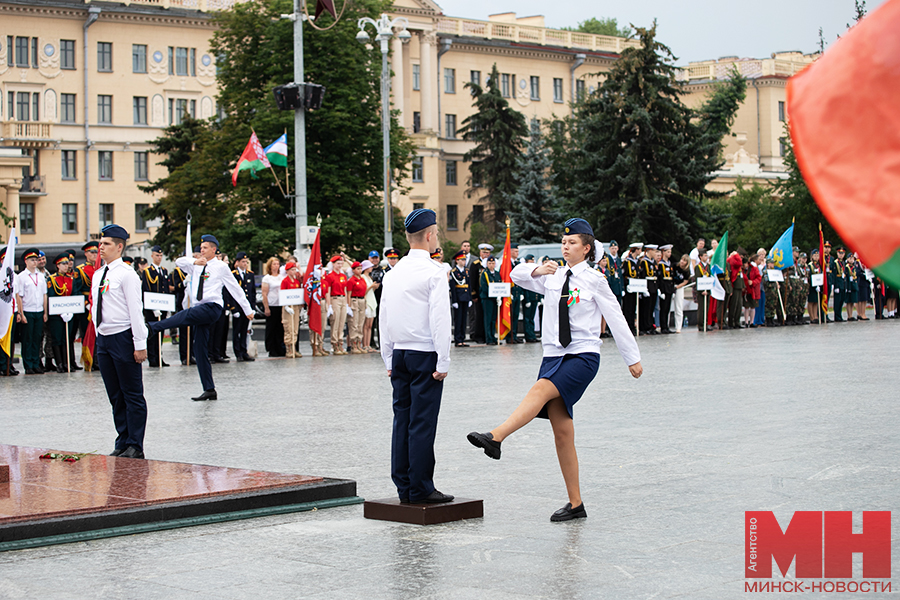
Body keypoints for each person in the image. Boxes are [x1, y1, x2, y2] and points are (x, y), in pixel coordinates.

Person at [467, 218, 642, 522]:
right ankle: (576, 504)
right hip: (553, 356)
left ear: (587, 249)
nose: (566, 246)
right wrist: (538, 269)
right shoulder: (553, 275)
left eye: (572, 242)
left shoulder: (595, 279)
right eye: (564, 242)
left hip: (582, 356)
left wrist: (632, 358)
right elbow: (515, 274)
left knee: (540, 389)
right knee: (562, 433)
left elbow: (616, 317)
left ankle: (496, 437)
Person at [379, 208, 454, 505]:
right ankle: (421, 487)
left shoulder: (393, 273)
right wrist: (443, 359)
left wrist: (387, 358)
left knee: (402, 419)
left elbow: (385, 317)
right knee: (422, 422)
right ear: (429, 234)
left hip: (399, 352)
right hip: (424, 352)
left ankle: (404, 485)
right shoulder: (434, 272)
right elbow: (439, 319)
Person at [148, 234, 254, 401]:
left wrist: (247, 309)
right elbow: (178, 262)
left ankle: (153, 328)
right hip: (200, 308)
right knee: (199, 349)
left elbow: (235, 288)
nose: (201, 250)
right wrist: (194, 262)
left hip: (212, 307)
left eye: (205, 248)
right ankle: (209, 389)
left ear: (213, 249)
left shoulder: (220, 266)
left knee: (185, 315)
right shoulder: (195, 265)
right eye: (201, 248)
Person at [91, 224, 148, 459]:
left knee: (132, 393)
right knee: (115, 394)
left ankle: (136, 444)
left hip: (123, 337)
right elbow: (96, 306)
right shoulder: (99, 274)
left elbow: (136, 310)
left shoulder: (127, 274)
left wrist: (139, 343)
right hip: (104, 338)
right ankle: (122, 440)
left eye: (106, 244)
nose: (101, 248)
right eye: (100, 243)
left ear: (119, 247)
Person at [46, 253, 82, 373]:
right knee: (57, 339)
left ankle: (67, 363)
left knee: (67, 338)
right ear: (57, 265)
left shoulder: (71, 279)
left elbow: (75, 293)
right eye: (63, 264)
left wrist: (72, 309)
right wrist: (60, 312)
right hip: (57, 315)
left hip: (69, 314)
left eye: (67, 263)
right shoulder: (51, 279)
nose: (66, 266)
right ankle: (60, 363)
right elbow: (51, 296)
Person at [14, 248, 48, 374]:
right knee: (27, 339)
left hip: (38, 310)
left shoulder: (40, 276)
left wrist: (45, 312)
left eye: (36, 260)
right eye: (32, 260)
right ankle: (28, 365)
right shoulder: (21, 277)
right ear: (26, 261)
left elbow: (44, 294)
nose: (35, 262)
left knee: (37, 338)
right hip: (27, 310)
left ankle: (36, 363)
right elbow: (20, 297)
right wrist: (21, 313)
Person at [140, 245, 170, 368]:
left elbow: (166, 289)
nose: (159, 257)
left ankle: (159, 357)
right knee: (152, 334)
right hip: (152, 309)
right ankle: (152, 358)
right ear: (152, 256)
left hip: (161, 307)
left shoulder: (164, 271)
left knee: (160, 333)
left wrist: (167, 305)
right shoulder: (147, 271)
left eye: (160, 255)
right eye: (157, 255)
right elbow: (146, 290)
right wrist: (152, 307)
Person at [230, 252, 256, 361]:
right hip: (238, 307)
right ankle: (238, 352)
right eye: (243, 262)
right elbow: (230, 292)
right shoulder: (233, 274)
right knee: (237, 331)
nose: (245, 264)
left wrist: (252, 307)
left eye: (246, 262)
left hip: (247, 308)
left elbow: (252, 292)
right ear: (237, 262)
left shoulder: (250, 274)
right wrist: (233, 309)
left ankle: (244, 351)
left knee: (245, 330)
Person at [323, 256, 350, 356]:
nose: (340, 265)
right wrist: (329, 305)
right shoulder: (330, 276)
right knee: (336, 322)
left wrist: (347, 304)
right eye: (337, 263)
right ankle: (334, 344)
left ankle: (340, 342)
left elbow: (345, 290)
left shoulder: (343, 276)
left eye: (341, 263)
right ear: (333, 264)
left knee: (342, 322)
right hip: (335, 299)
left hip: (342, 298)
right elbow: (328, 291)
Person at [74, 241, 99, 344]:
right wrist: (86, 303)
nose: (94, 254)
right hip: (87, 305)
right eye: (91, 252)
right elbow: (77, 290)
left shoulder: (100, 268)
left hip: (98, 303)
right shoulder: (80, 270)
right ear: (86, 254)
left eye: (96, 252)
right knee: (86, 332)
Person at [0, 246, 19, 376]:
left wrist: (19, 312)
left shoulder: (14, 276)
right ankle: (2, 364)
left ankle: (9, 364)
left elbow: (17, 294)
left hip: (13, 310)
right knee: (2, 338)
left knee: (11, 339)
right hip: (2, 310)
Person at [261, 257, 285, 357]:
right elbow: (264, 293)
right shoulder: (267, 278)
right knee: (271, 328)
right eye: (274, 264)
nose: (276, 266)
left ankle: (280, 347)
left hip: (281, 304)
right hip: (272, 304)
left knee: (280, 327)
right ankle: (271, 348)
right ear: (270, 266)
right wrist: (266, 307)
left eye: (277, 264)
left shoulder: (281, 277)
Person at [468, 244, 492, 344]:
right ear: (480, 253)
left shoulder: (491, 264)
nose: (485, 254)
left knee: (488, 316)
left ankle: (487, 335)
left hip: (489, 295)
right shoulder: (475, 264)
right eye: (483, 252)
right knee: (478, 316)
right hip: (478, 294)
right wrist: (473, 294)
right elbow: (472, 280)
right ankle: (478, 336)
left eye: (487, 253)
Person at [280, 261, 303, 358]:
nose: (294, 272)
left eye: (295, 270)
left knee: (295, 327)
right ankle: (288, 349)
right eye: (292, 270)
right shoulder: (285, 281)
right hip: (288, 306)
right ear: (287, 271)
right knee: (289, 327)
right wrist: (285, 306)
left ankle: (294, 347)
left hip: (296, 306)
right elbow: (283, 294)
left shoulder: (297, 282)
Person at [449, 250, 471, 347]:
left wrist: (469, 298)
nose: (464, 261)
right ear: (457, 261)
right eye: (462, 260)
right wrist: (454, 300)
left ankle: (462, 338)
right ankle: (457, 339)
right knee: (458, 319)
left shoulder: (466, 271)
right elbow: (453, 288)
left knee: (463, 319)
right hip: (458, 298)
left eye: (464, 259)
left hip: (465, 298)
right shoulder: (454, 272)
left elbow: (469, 286)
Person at [347, 261, 368, 354]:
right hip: (354, 300)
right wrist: (349, 305)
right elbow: (349, 293)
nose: (359, 270)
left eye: (360, 268)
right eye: (357, 269)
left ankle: (359, 343)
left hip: (362, 300)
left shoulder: (362, 279)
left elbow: (364, 291)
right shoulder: (351, 280)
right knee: (354, 323)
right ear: (353, 270)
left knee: (360, 323)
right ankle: (354, 344)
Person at [479, 256, 500, 345]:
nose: (491, 265)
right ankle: (488, 338)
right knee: (488, 319)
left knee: (493, 319)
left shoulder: (497, 273)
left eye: (493, 263)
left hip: (495, 299)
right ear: (486, 264)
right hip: (487, 298)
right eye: (489, 263)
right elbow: (484, 287)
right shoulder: (484, 273)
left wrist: (499, 295)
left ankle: (493, 336)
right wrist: (494, 296)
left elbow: (500, 285)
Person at [622, 242, 641, 335]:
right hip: (629, 286)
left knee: (633, 307)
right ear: (636, 250)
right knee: (628, 308)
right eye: (639, 249)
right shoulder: (627, 261)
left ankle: (632, 326)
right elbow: (624, 274)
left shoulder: (637, 261)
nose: (640, 251)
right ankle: (628, 327)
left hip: (635, 286)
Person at [521, 254, 542, 342]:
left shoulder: (534, 271)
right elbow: (525, 287)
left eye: (533, 261)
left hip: (534, 298)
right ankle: (528, 336)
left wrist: (538, 298)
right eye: (530, 261)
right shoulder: (525, 272)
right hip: (528, 299)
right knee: (527, 318)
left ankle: (532, 335)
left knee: (531, 318)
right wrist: (527, 299)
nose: (532, 262)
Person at [360, 259, 379, 353]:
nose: (372, 268)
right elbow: (363, 291)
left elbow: (371, 291)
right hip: (367, 301)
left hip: (372, 301)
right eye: (370, 266)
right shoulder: (362, 277)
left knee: (370, 325)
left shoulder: (370, 278)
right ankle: (365, 344)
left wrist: (374, 288)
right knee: (366, 325)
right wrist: (371, 287)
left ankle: (368, 345)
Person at [506, 243, 522, 344]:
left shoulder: (517, 264)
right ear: (511, 251)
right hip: (510, 293)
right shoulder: (507, 264)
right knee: (510, 316)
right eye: (515, 251)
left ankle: (514, 335)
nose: (517, 253)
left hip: (516, 293)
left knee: (515, 315)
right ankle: (509, 336)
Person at [657, 245, 675, 334]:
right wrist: (661, 290)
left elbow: (672, 277)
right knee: (663, 308)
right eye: (668, 252)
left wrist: (673, 290)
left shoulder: (669, 263)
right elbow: (660, 278)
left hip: (669, 288)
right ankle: (663, 326)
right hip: (664, 288)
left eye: (670, 252)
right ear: (663, 252)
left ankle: (666, 326)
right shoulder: (661, 264)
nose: (669, 254)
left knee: (667, 308)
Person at [692, 248, 711, 331]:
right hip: (701, 291)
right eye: (704, 256)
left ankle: (706, 324)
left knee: (707, 308)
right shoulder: (698, 267)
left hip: (707, 290)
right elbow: (697, 279)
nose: (706, 257)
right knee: (701, 308)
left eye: (706, 255)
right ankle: (701, 325)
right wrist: (701, 291)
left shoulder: (708, 266)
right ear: (700, 257)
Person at [673, 254, 690, 333]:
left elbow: (685, 281)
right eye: (682, 259)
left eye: (684, 261)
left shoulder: (686, 271)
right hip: (671, 285)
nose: (682, 262)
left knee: (679, 307)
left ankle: (678, 327)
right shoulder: (675, 266)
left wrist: (677, 287)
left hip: (679, 287)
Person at [744, 255, 762, 328]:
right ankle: (746, 322)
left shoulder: (754, 268)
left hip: (753, 289)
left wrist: (753, 282)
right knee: (746, 306)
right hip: (746, 290)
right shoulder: (744, 269)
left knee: (753, 306)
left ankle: (751, 322)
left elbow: (759, 278)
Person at [831, 246, 847, 322]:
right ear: (837, 253)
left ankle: (839, 315)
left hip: (843, 283)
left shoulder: (843, 262)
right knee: (837, 301)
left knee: (841, 300)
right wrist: (836, 286)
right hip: (838, 283)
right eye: (840, 253)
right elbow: (834, 274)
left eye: (842, 253)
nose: (841, 255)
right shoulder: (835, 262)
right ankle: (836, 316)